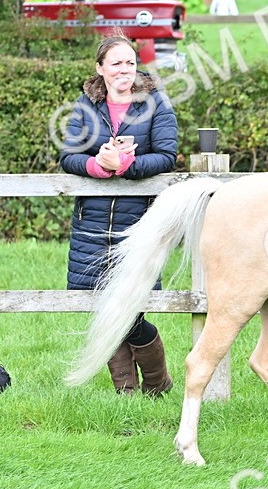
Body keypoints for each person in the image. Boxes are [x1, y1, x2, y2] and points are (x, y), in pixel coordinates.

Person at [60, 34, 179, 395]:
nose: (124, 70)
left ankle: (157, 383)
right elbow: (68, 157)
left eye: (130, 62)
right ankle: (125, 392)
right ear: (100, 69)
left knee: (132, 308)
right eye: (116, 63)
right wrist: (97, 164)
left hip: (140, 221)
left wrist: (128, 165)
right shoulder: (85, 105)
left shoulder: (156, 102)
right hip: (92, 223)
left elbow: (167, 155)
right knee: (103, 304)